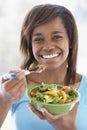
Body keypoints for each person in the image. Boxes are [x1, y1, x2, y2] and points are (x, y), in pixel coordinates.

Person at [0, 4, 87, 130]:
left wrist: (67, 128)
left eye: (57, 37)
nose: (47, 46)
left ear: (71, 41)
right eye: (38, 39)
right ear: (30, 45)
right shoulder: (13, 88)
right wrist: (3, 100)